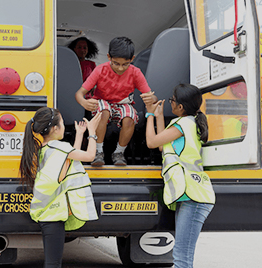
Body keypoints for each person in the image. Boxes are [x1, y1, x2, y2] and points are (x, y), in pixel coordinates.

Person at [19, 107, 101, 268]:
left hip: (48, 213)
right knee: (53, 264)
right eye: (62, 123)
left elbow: (70, 157)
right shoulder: (59, 147)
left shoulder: (45, 149)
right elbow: (90, 156)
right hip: (52, 215)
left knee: (53, 262)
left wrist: (79, 134)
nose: (64, 126)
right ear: (55, 128)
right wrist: (92, 132)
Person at [144, 84, 215, 268]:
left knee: (182, 261)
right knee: (181, 259)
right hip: (192, 195)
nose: (170, 103)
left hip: (194, 197)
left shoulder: (182, 124)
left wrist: (149, 114)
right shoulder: (189, 123)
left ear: (180, 107)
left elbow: (151, 142)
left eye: (172, 100)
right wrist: (159, 116)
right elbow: (161, 145)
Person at [75, 36, 157, 166]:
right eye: (116, 64)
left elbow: (151, 95)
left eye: (125, 64)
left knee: (130, 116)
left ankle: (119, 152)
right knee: (104, 111)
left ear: (132, 59)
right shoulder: (100, 70)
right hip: (102, 102)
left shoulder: (135, 72)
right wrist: (84, 102)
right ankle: (98, 151)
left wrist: (151, 98)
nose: (120, 68)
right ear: (109, 57)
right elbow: (80, 93)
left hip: (122, 104)